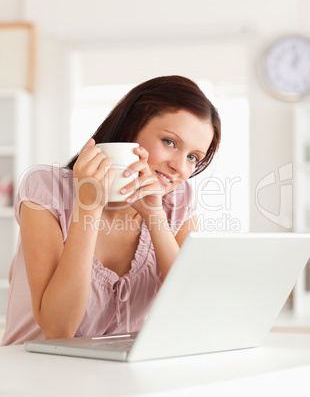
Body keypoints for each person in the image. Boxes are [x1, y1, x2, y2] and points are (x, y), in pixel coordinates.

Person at [1, 75, 221, 346]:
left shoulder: (177, 201)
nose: (180, 167)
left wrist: (155, 218)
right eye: (170, 142)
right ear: (131, 127)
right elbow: (58, 329)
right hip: (33, 375)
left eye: (193, 157)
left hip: (120, 381)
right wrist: (88, 208)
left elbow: (194, 311)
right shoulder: (46, 188)